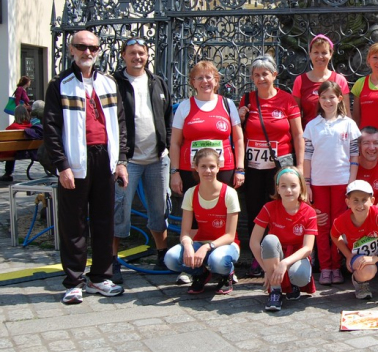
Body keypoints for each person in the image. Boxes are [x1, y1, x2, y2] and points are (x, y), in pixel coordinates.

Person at [44, 30, 128, 304]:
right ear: (71, 50)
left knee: (104, 221)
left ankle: (100, 277)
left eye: (92, 47)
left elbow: (121, 125)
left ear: (99, 51)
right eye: (81, 47)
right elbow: (52, 129)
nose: (87, 52)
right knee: (73, 223)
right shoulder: (60, 84)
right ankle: (73, 281)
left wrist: (122, 161)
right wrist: (62, 165)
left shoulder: (108, 83)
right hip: (75, 162)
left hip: (105, 159)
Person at [111, 38, 172, 283]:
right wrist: (118, 158)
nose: (138, 57)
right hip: (127, 160)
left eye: (142, 53)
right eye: (132, 53)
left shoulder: (158, 82)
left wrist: (166, 145)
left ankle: (162, 255)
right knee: (119, 210)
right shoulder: (114, 83)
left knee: (160, 210)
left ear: (148, 56)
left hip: (157, 159)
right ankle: (111, 262)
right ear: (123, 55)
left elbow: (168, 117)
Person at [238, 55, 304, 275]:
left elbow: (298, 135)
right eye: (256, 75)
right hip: (254, 167)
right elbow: (238, 134)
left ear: (274, 75)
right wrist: (240, 117)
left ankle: (279, 252)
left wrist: (300, 167)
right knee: (255, 211)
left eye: (265, 74)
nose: (261, 78)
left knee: (280, 209)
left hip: (279, 167)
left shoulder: (286, 100)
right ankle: (259, 257)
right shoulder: (247, 99)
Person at [303, 80, 361, 285]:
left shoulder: (349, 124)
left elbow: (354, 154)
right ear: (319, 100)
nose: (328, 101)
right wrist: (307, 184)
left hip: (341, 182)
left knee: (337, 225)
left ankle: (337, 266)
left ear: (339, 98)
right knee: (321, 223)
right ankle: (325, 266)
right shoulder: (312, 126)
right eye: (324, 97)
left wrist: (351, 183)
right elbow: (307, 156)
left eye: (332, 97)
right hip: (318, 182)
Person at [164, 148, 240, 295]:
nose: (208, 171)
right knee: (171, 259)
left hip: (226, 245)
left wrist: (206, 248)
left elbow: (230, 236)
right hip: (199, 243)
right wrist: (187, 246)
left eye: (212, 166)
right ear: (196, 168)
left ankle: (227, 274)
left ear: (218, 168)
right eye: (203, 166)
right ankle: (200, 273)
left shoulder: (229, 193)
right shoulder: (191, 193)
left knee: (217, 261)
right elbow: (185, 232)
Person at [169, 60, 245, 195]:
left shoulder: (228, 104)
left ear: (216, 81)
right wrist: (174, 172)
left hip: (223, 168)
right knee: (192, 211)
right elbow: (175, 143)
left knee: (222, 210)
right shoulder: (184, 106)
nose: (205, 81)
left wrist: (240, 169)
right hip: (191, 170)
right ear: (193, 82)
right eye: (200, 78)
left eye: (209, 77)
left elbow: (239, 139)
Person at [250, 167, 317, 312]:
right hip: (275, 255)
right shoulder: (269, 208)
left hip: (295, 257)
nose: (289, 190)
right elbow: (254, 242)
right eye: (283, 186)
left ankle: (293, 285)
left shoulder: (309, 212)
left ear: (301, 187)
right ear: (278, 189)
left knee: (300, 276)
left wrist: (285, 263)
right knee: (269, 240)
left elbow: (307, 248)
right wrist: (266, 270)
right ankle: (275, 291)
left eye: (293, 186)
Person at [331, 180, 378, 309]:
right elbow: (334, 235)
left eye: (364, 200)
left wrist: (375, 257)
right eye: (355, 200)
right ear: (347, 202)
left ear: (372, 201)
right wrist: (348, 255)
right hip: (360, 260)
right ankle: (360, 282)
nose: (360, 205)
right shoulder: (342, 220)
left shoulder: (377, 214)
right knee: (369, 270)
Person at [293, 34, 351, 128]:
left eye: (324, 52)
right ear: (310, 54)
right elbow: (295, 115)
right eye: (316, 52)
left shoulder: (340, 80)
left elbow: (346, 113)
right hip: (309, 137)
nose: (320, 56)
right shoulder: (300, 81)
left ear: (330, 54)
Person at [0, 106, 33, 181]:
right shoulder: (30, 127)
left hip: (9, 152)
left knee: (9, 149)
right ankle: (8, 173)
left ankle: (8, 173)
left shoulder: (12, 127)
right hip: (23, 152)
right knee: (12, 149)